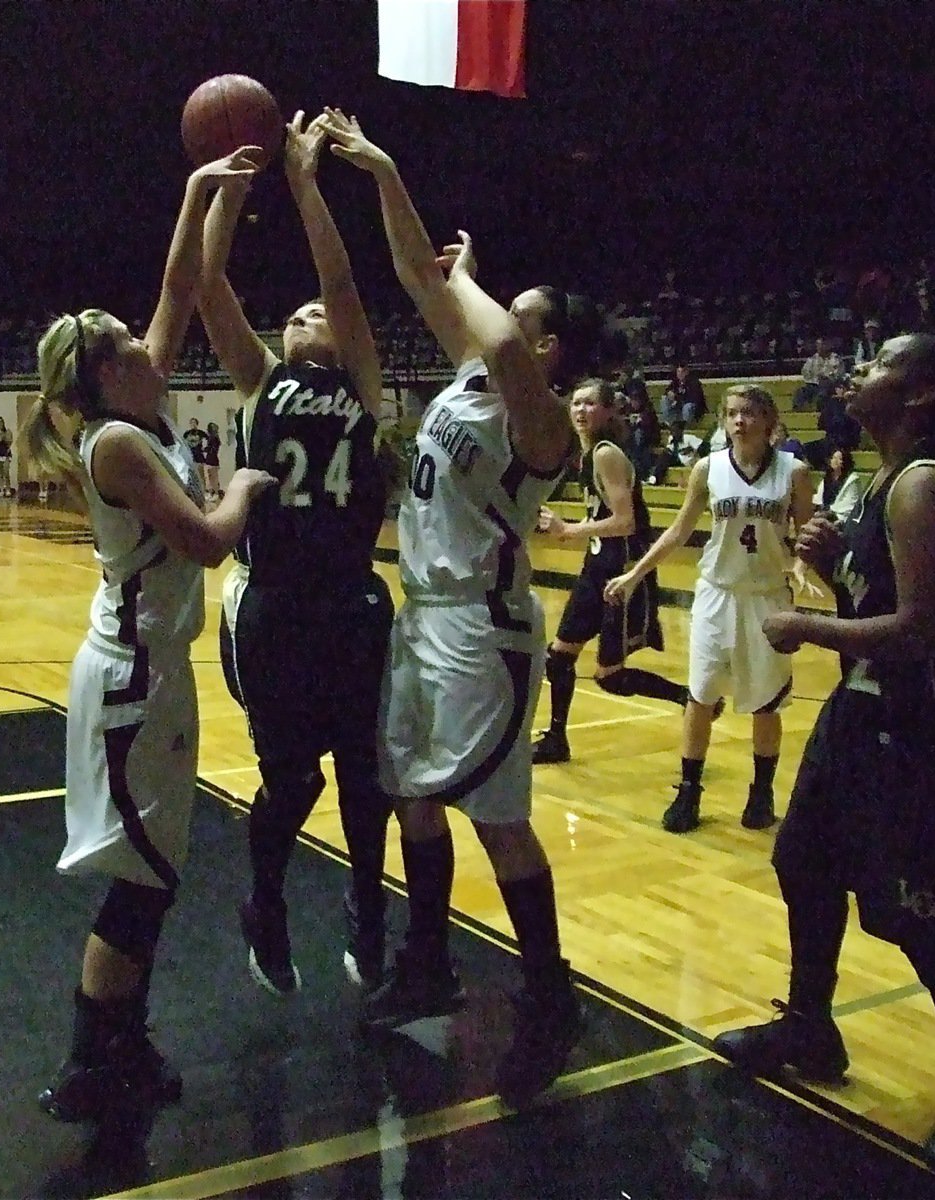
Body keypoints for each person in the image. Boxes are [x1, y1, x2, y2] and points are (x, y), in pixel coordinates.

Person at [322, 107, 624, 1107]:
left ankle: (550, 994)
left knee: (496, 820)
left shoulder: (542, 422)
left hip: (482, 634)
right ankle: (427, 960)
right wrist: (381, 169)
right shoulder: (476, 376)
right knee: (411, 792)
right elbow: (419, 273)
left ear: (545, 343)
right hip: (425, 618)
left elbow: (482, 323)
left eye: (516, 310)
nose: (491, 310)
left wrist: (468, 278)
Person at [714, 334, 935, 1180]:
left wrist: (808, 624)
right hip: (868, 711)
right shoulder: (879, 482)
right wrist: (835, 575)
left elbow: (922, 635)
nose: (857, 372)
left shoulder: (925, 485)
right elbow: (888, 612)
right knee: (804, 862)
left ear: (920, 396)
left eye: (880, 363)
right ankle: (810, 1024)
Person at [19, 148, 273, 1123]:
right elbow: (210, 541)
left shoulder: (135, 405)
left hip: (153, 672)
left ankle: (123, 1040)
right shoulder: (118, 441)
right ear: (102, 372)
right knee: (138, 879)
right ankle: (93, 1060)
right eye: (128, 341)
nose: (147, 343)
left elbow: (179, 284)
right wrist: (251, 475)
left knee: (153, 874)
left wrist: (208, 189)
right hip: (132, 679)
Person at [198, 110, 396, 997]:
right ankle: (265, 904)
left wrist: (306, 186)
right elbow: (208, 288)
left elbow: (343, 281)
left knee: (366, 777)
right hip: (275, 601)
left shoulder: (360, 377)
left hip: (351, 599)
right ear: (280, 341)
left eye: (319, 312)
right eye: (298, 314)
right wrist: (228, 198)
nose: (312, 313)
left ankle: (369, 911)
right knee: (292, 781)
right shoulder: (258, 382)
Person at [605, 384, 815, 833]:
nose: (740, 421)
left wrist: (800, 564)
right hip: (716, 594)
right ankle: (688, 792)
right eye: (733, 413)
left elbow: (808, 531)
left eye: (750, 413)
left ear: (768, 421)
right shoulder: (708, 468)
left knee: (766, 703)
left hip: (767, 598)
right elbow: (678, 532)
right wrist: (634, 573)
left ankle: (761, 793)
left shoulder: (794, 472)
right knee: (701, 695)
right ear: (723, 421)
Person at [530, 377, 687, 765]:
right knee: (559, 656)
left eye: (588, 404)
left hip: (623, 572)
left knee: (609, 677)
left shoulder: (605, 454)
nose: (580, 411)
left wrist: (569, 530)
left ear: (606, 410)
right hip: (596, 567)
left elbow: (626, 521)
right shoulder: (585, 455)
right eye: (575, 404)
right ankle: (556, 739)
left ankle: (689, 698)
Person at [812, 445, 862, 522]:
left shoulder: (852, 479)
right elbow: (819, 499)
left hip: (842, 518)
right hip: (824, 514)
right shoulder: (827, 478)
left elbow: (849, 505)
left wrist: (830, 513)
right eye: (833, 458)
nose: (835, 461)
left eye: (839, 459)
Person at [182, 417, 207, 489]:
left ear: (197, 424)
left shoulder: (201, 433)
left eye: (194, 423)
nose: (193, 424)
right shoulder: (186, 434)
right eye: (191, 423)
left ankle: (204, 489)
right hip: (190, 456)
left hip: (199, 456)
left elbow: (207, 441)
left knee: (201, 474)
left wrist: (204, 449)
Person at [202, 420, 222, 502]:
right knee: (210, 477)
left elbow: (212, 449)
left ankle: (216, 493)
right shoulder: (212, 438)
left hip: (212, 459)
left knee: (213, 477)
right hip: (210, 459)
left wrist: (205, 449)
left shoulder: (214, 439)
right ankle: (212, 493)